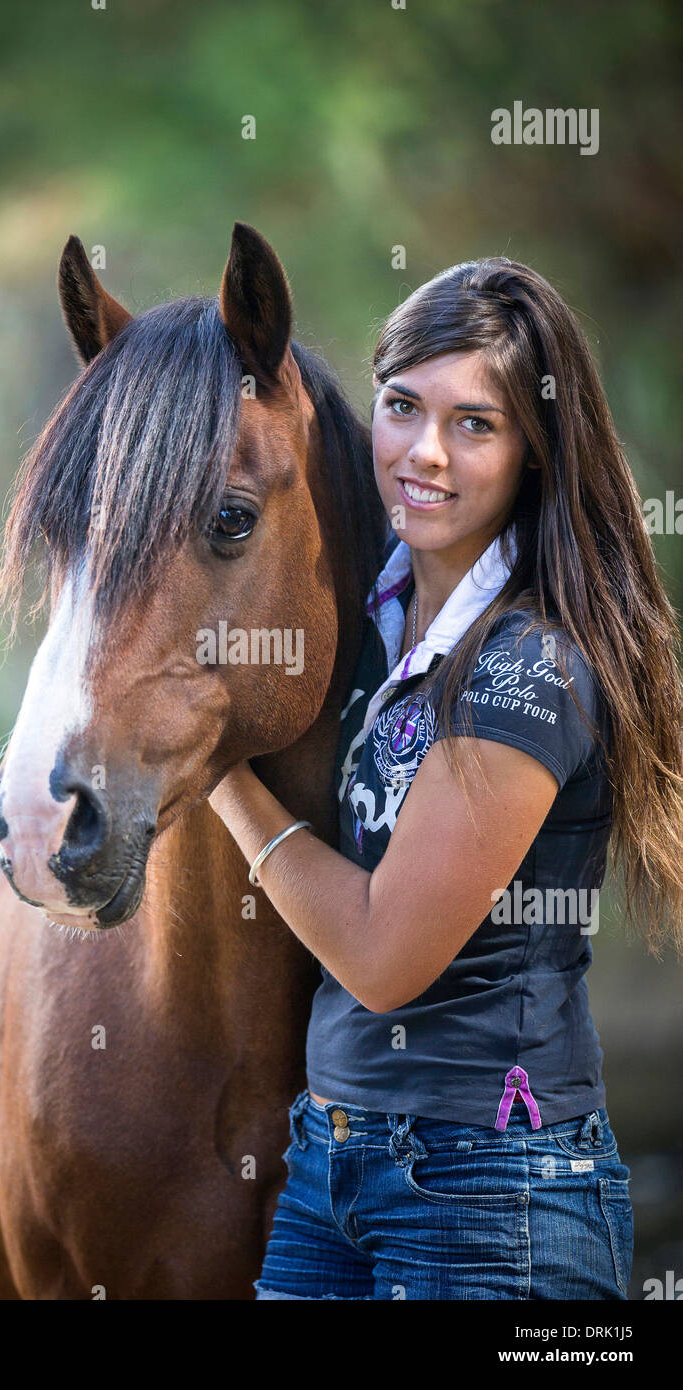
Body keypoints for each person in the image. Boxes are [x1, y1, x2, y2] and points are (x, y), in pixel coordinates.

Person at [207, 256, 683, 1301]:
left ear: (531, 452)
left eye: (475, 423)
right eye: (400, 406)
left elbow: (381, 956)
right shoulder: (368, 624)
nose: (422, 453)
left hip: (492, 1188)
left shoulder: (528, 664)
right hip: (327, 1158)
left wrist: (219, 778)